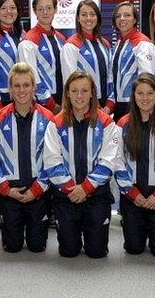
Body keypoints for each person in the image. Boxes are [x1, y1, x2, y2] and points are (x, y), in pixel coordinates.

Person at [43, 71, 119, 258]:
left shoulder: (106, 123)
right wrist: (72, 189)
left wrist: (85, 188)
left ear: (92, 93)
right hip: (66, 195)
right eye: (74, 90)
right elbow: (52, 161)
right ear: (67, 93)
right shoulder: (55, 123)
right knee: (69, 251)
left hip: (96, 195)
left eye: (84, 90)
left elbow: (108, 162)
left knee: (96, 252)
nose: (79, 96)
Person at [0, 62, 54, 253]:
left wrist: (37, 189)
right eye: (16, 85)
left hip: (38, 190)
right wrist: (6, 190)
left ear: (33, 87)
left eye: (26, 85)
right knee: (12, 247)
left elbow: (54, 159)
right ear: (9, 88)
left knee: (37, 246)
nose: (21, 90)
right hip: (9, 191)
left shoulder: (48, 118)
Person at [115, 73, 155, 257]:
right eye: (140, 93)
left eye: (150, 93)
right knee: (134, 249)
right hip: (133, 195)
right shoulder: (122, 124)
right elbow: (118, 163)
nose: (145, 98)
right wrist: (133, 194)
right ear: (133, 96)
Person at [61, 0, 114, 113]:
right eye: (84, 15)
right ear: (78, 19)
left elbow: (110, 75)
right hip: (82, 107)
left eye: (92, 14)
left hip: (106, 108)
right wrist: (94, 106)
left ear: (97, 17)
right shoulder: (71, 46)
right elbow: (70, 82)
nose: (88, 18)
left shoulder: (105, 44)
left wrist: (109, 105)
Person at [18, 0, 66, 113]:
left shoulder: (61, 38)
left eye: (49, 8)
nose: (45, 12)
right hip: (43, 104)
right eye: (41, 9)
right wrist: (50, 104)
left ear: (55, 10)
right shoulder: (28, 42)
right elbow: (31, 77)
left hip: (64, 100)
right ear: (35, 12)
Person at [111, 1, 155, 122]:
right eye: (118, 16)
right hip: (118, 105)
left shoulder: (143, 43)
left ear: (135, 19)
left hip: (135, 106)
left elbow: (147, 78)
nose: (122, 19)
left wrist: (142, 104)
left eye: (127, 15)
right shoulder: (119, 42)